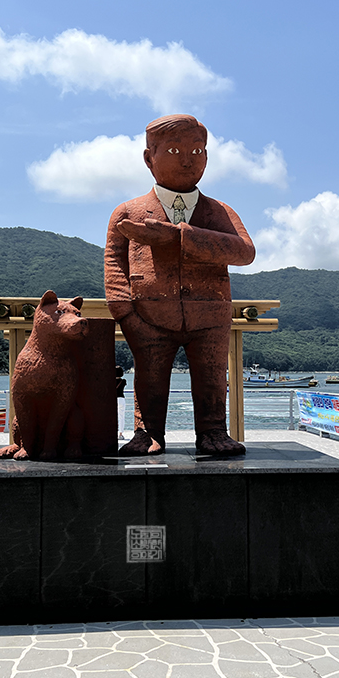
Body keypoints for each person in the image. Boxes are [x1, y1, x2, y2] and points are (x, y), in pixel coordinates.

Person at [105, 114, 255, 456]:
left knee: (212, 375)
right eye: (174, 150)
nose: (188, 159)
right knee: (149, 376)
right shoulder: (127, 212)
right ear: (149, 158)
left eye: (197, 151)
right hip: (148, 315)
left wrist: (178, 237)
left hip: (210, 314)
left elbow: (245, 252)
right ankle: (147, 432)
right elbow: (114, 263)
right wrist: (125, 312)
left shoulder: (219, 212)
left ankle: (213, 431)